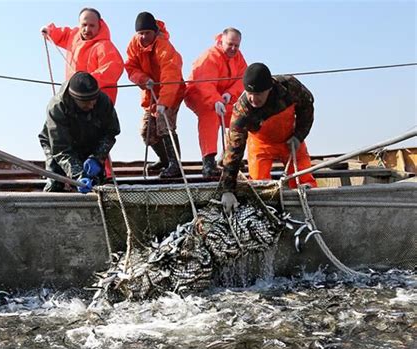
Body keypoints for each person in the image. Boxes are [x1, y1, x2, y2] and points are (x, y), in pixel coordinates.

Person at [221, 62, 318, 215]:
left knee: (304, 181)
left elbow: (307, 107)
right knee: (259, 189)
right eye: (249, 93)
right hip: (261, 145)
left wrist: (299, 136)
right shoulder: (242, 110)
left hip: (290, 142)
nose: (253, 99)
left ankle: (311, 213)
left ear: (269, 89)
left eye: (258, 94)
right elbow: (234, 148)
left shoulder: (290, 88)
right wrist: (227, 189)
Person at [125, 11, 185, 178]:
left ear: (155, 32)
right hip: (150, 93)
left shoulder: (164, 46)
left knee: (164, 123)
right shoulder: (134, 44)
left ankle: (175, 164)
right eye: (141, 33)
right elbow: (130, 67)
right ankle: (164, 159)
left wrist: (163, 102)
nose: (143, 37)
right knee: (146, 131)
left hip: (171, 92)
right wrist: (143, 79)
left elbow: (171, 75)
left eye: (147, 33)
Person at [39, 72, 120, 193]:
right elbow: (61, 149)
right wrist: (78, 175)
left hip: (90, 143)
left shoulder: (103, 102)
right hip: (57, 147)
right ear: (75, 99)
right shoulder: (57, 108)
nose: (92, 105)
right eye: (86, 102)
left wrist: (97, 158)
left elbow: (111, 133)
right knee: (55, 183)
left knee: (96, 185)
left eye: (94, 100)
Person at [184, 28, 247, 177]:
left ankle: (230, 155)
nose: (233, 48)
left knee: (241, 115)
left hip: (222, 96)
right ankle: (208, 162)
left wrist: (228, 94)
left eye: (236, 46)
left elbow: (242, 79)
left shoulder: (239, 58)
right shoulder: (210, 56)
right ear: (221, 41)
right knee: (210, 115)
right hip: (197, 94)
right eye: (230, 44)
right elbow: (204, 84)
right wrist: (215, 100)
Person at [40, 7, 124, 105]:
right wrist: (50, 31)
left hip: (97, 103)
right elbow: (63, 35)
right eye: (84, 25)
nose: (87, 29)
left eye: (92, 26)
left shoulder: (105, 46)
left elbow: (112, 69)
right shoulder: (74, 36)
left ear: (99, 26)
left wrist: (87, 82)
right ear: (79, 25)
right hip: (73, 97)